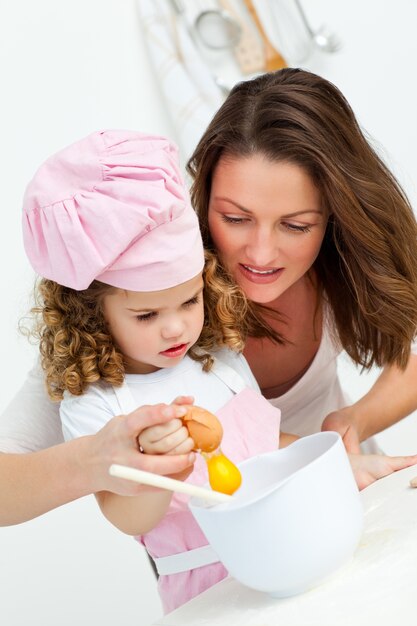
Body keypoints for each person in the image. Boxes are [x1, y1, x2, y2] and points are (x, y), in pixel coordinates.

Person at [15, 129, 417, 613]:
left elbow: (270, 443)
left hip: (298, 541)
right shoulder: (99, 400)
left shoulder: (214, 355)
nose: (175, 329)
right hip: (212, 590)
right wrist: (155, 470)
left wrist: (340, 462)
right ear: (91, 317)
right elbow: (130, 518)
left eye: (189, 301)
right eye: (146, 316)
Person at [186, 67, 417, 456]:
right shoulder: (157, 289)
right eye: (235, 219)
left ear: (334, 215)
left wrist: (355, 419)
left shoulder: (340, 268)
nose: (261, 254)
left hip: (360, 493)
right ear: (205, 199)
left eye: (295, 226)